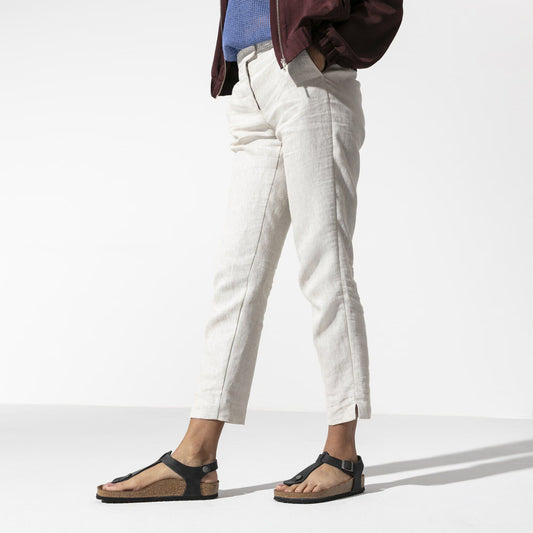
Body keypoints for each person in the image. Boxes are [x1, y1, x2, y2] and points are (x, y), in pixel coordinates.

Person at [96, 0, 403, 504]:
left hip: (308, 78)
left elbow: (382, 4)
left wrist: (324, 50)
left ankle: (342, 455)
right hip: (251, 80)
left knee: (324, 268)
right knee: (236, 278)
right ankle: (195, 457)